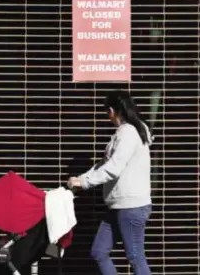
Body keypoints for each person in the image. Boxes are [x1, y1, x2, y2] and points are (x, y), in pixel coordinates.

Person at [67, 90, 153, 275]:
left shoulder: (128, 133)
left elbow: (113, 167)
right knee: (99, 252)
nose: (108, 117)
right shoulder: (128, 132)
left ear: (112, 111)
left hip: (130, 206)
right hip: (117, 205)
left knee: (136, 257)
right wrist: (81, 179)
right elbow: (104, 163)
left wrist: (84, 183)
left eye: (107, 112)